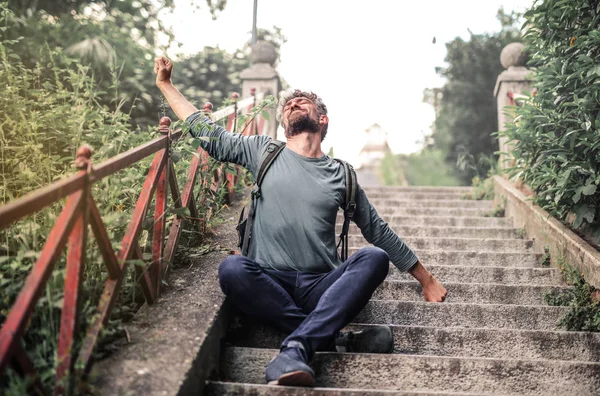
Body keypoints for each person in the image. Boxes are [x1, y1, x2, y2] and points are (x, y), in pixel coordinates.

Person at [154, 56, 447, 387]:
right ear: (283, 126)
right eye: (288, 105)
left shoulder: (342, 175)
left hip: (320, 287)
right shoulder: (264, 150)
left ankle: (299, 343)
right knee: (231, 270)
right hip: (268, 279)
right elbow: (209, 132)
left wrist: (426, 279)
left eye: (301, 101)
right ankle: (326, 339)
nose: (292, 103)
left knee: (374, 258)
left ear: (321, 119)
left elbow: (378, 231)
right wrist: (166, 85)